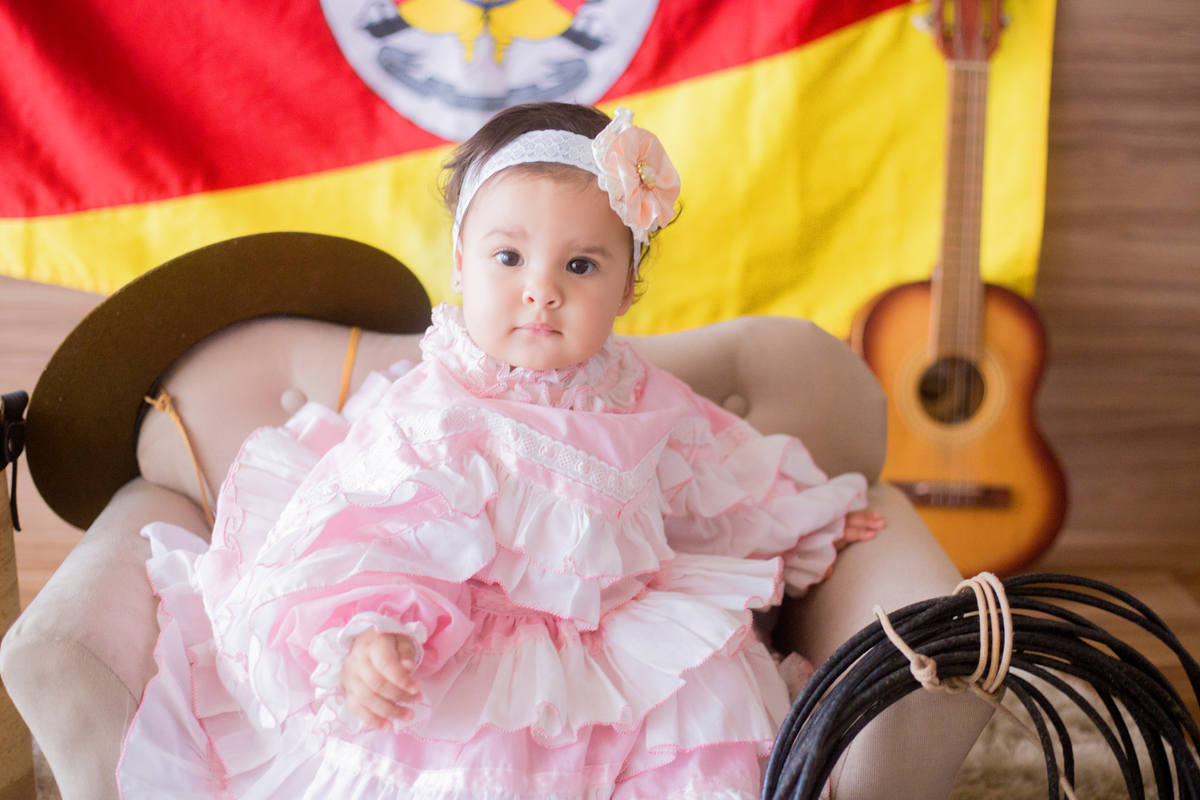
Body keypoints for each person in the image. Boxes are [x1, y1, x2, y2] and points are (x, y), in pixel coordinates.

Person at [117, 102, 884, 800]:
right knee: (474, 766)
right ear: (460, 264)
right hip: (473, 646)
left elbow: (713, 476)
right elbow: (384, 525)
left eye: (580, 265)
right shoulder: (439, 407)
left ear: (626, 289)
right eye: (509, 258)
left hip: (623, 641)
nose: (541, 290)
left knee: (707, 712)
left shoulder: (636, 394)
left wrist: (806, 517)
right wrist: (375, 632)